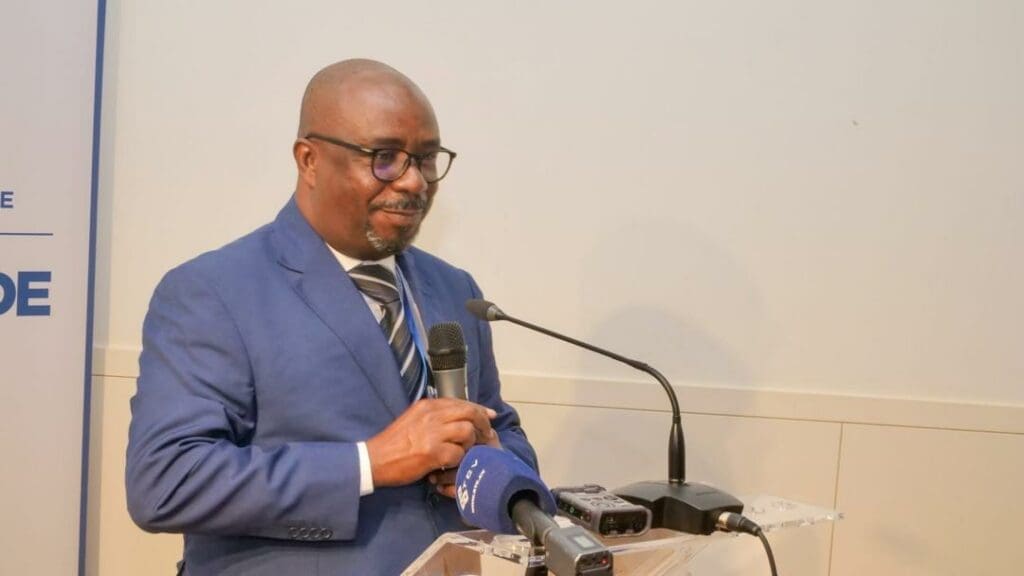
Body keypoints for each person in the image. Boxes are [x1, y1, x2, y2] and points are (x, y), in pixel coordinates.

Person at [126, 59, 537, 576]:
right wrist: (370, 462)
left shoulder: (457, 291)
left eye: (426, 159)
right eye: (385, 158)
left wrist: (494, 458)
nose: (414, 181)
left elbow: (505, 429)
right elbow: (166, 481)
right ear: (309, 160)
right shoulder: (211, 292)